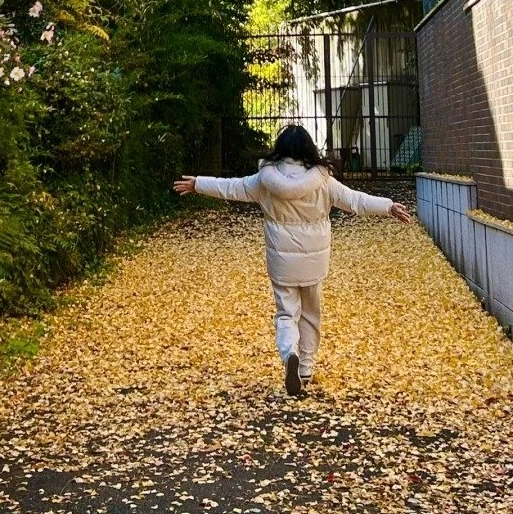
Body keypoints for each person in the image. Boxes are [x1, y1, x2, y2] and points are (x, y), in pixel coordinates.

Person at [173, 124, 411, 397]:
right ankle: (306, 369)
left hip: (281, 261)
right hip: (314, 262)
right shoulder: (323, 181)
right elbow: (355, 200)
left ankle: (289, 355)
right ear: (308, 148)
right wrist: (388, 206)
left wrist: (197, 183)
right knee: (310, 314)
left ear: (281, 149)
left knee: (287, 313)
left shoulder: (264, 181)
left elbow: (231, 187)